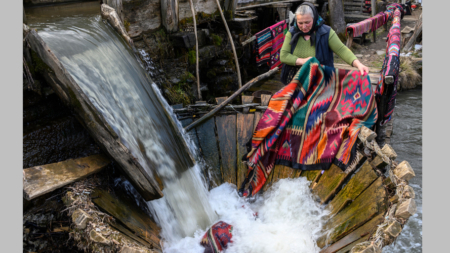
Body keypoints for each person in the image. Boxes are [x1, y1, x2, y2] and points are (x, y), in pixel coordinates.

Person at [280, 2, 369, 84]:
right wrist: (303, 61)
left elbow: (342, 50)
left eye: (307, 22)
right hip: (295, 81)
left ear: (314, 18)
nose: (304, 27)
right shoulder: (292, 33)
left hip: (321, 82)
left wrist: (358, 64)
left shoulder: (326, 33)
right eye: (300, 23)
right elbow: (283, 56)